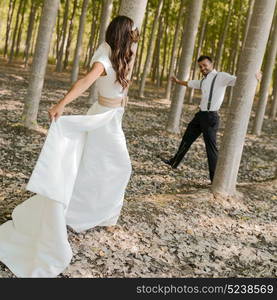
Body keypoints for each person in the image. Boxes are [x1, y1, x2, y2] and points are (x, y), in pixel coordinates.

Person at [0, 16, 139, 278]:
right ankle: (87, 214)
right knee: (121, 167)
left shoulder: (126, 54)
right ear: (123, 33)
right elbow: (85, 82)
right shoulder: (105, 55)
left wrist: (122, 107)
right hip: (100, 119)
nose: (136, 35)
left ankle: (98, 215)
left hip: (112, 119)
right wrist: (61, 104)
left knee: (101, 169)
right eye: (133, 32)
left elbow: (121, 90)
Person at [160, 55, 261, 183]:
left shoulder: (221, 76)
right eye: (200, 66)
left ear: (211, 64)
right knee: (187, 138)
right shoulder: (204, 81)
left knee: (211, 148)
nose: (202, 68)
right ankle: (174, 162)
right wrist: (177, 81)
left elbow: (238, 81)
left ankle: (215, 179)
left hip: (211, 117)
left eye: (205, 65)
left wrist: (255, 78)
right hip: (200, 115)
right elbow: (191, 83)